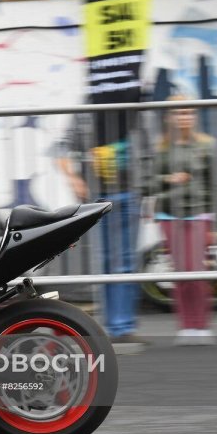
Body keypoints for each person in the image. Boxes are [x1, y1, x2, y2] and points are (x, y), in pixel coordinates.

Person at [57, 108, 148, 345]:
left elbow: (147, 151)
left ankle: (124, 327)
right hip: (98, 199)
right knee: (106, 262)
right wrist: (74, 178)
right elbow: (61, 148)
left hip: (130, 194)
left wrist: (147, 189)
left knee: (126, 262)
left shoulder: (132, 111)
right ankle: (111, 327)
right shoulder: (85, 112)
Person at [151, 96, 217, 345]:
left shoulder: (207, 145)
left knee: (196, 271)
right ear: (169, 117)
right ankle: (186, 326)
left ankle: (202, 325)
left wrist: (213, 224)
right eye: (179, 113)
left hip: (198, 215)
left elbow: (214, 186)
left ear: (195, 116)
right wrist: (169, 179)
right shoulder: (161, 148)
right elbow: (149, 183)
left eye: (188, 113)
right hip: (169, 216)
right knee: (180, 272)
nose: (184, 117)